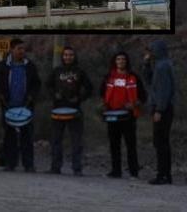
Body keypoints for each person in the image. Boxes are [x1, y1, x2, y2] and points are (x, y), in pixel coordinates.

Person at [0, 38, 41, 172]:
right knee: (9, 136)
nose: (21, 51)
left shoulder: (30, 66)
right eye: (19, 49)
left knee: (27, 136)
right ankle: (10, 163)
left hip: (26, 107)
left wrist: (32, 97)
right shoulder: (3, 66)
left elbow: (36, 84)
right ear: (11, 50)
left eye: (23, 49)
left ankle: (28, 165)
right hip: (8, 106)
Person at [46, 46, 92, 176]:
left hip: (75, 110)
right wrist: (54, 95)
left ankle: (77, 168)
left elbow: (89, 88)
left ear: (74, 56)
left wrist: (79, 98)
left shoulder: (80, 71)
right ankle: (55, 167)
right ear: (62, 56)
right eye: (66, 55)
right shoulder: (56, 71)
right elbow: (47, 85)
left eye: (71, 55)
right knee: (56, 140)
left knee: (76, 141)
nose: (68, 57)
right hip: (58, 110)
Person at [100, 51, 146, 179]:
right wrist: (104, 105)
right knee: (114, 144)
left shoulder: (133, 76)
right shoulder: (109, 77)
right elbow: (102, 92)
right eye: (118, 59)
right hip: (112, 114)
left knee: (130, 144)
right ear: (115, 61)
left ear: (127, 61)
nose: (121, 61)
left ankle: (134, 172)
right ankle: (116, 171)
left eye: (123, 59)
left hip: (128, 115)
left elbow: (143, 96)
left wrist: (135, 104)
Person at [144, 40, 176, 185]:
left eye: (150, 50)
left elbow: (164, 91)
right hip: (163, 108)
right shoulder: (160, 64)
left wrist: (159, 110)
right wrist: (146, 64)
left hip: (163, 109)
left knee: (160, 142)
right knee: (161, 142)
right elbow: (150, 82)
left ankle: (163, 175)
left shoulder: (162, 66)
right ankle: (165, 175)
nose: (149, 53)